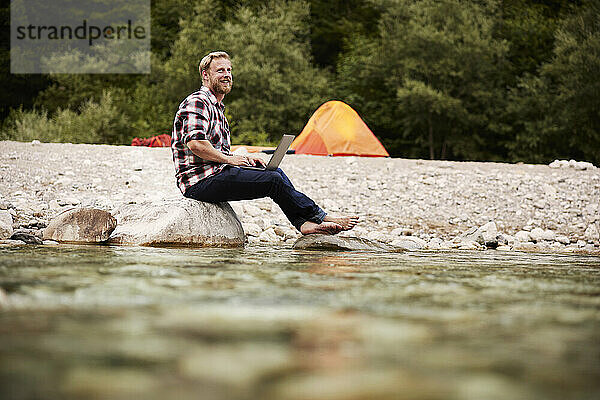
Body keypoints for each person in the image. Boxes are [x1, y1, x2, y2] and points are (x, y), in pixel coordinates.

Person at [171, 51, 358, 235]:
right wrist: (230, 160)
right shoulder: (198, 101)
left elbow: (213, 151)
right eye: (220, 70)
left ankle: (304, 223)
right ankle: (319, 217)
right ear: (205, 75)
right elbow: (196, 144)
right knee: (273, 181)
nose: (227, 75)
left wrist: (244, 160)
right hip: (198, 182)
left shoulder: (217, 108)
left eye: (229, 70)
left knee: (274, 172)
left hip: (216, 173)